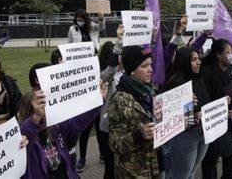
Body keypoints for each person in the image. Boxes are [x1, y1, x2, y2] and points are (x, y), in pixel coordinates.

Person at [18, 63, 108, 179]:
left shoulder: (55, 128)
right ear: (29, 113)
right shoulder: (24, 139)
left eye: (47, 111)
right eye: (41, 112)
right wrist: (36, 118)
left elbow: (79, 122)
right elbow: (24, 136)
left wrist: (98, 101)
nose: (46, 116)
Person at [77, 25, 123, 175]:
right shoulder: (102, 75)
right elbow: (111, 69)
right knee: (110, 168)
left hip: (112, 123)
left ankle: (103, 154)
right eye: (115, 56)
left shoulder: (122, 73)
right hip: (101, 117)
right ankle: (83, 158)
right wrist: (119, 42)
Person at [107, 46, 159, 178]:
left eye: (150, 65)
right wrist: (138, 136)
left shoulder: (149, 91)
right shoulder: (120, 101)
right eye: (144, 66)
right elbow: (114, 144)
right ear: (132, 71)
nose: (150, 70)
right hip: (133, 173)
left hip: (154, 167)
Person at [165, 47, 209, 179]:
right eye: (194, 60)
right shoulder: (175, 84)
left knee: (191, 172)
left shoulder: (198, 78)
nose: (199, 62)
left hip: (202, 131)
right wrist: (190, 114)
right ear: (184, 62)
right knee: (180, 174)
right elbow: (170, 118)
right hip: (184, 137)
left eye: (199, 59)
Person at [200, 39, 232, 179]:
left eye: (231, 51)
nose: (231, 55)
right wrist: (220, 107)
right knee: (211, 159)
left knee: (231, 152)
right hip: (213, 125)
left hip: (228, 123)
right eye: (227, 52)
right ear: (218, 55)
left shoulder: (231, 70)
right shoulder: (207, 73)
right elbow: (204, 100)